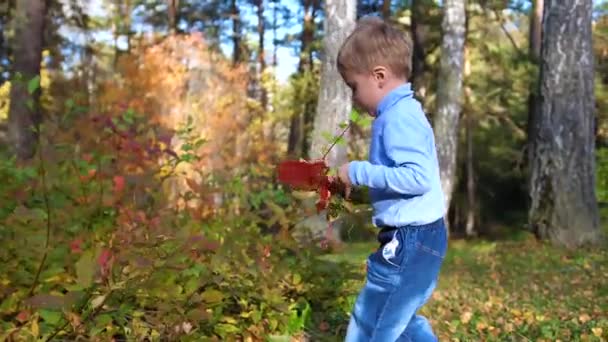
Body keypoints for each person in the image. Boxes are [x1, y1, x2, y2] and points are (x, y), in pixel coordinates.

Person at [334, 16, 448, 342]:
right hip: (419, 236)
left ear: (379, 76)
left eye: (354, 87)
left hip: (411, 238)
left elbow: (417, 178)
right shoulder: (401, 113)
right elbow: (398, 180)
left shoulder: (399, 118)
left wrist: (358, 170)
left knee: (372, 320)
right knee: (399, 318)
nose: (354, 98)